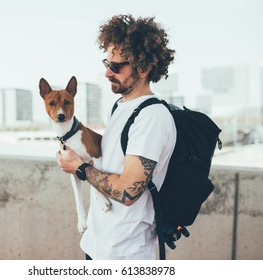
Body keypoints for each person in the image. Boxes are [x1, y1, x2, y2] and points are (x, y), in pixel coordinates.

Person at [56, 14, 176, 260]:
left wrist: (79, 168)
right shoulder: (120, 106)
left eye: (116, 66)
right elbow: (107, 159)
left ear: (142, 68)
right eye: (106, 63)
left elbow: (128, 191)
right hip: (98, 245)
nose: (107, 73)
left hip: (125, 254)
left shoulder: (151, 117)